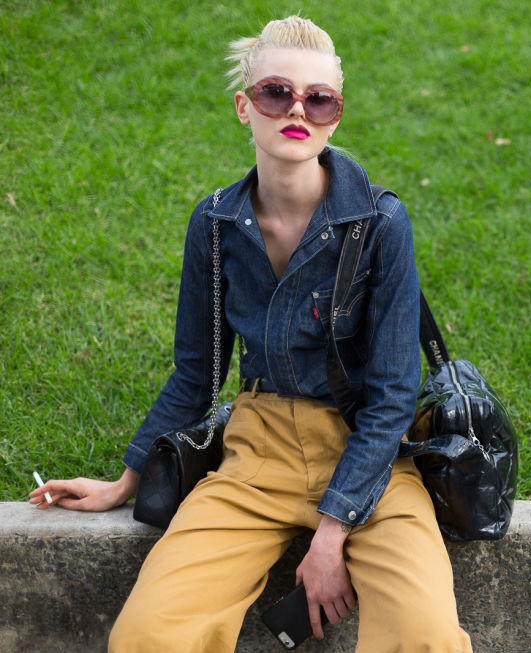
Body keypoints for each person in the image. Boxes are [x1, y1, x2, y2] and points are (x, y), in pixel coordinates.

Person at [28, 15, 472, 652]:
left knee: (425, 636)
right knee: (149, 635)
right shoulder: (215, 225)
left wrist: (330, 534)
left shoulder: (379, 222)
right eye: (275, 93)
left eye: (319, 99)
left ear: (336, 115)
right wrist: (126, 480)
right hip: (257, 457)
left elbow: (395, 394)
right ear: (244, 106)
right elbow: (196, 373)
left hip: (373, 460)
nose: (298, 110)